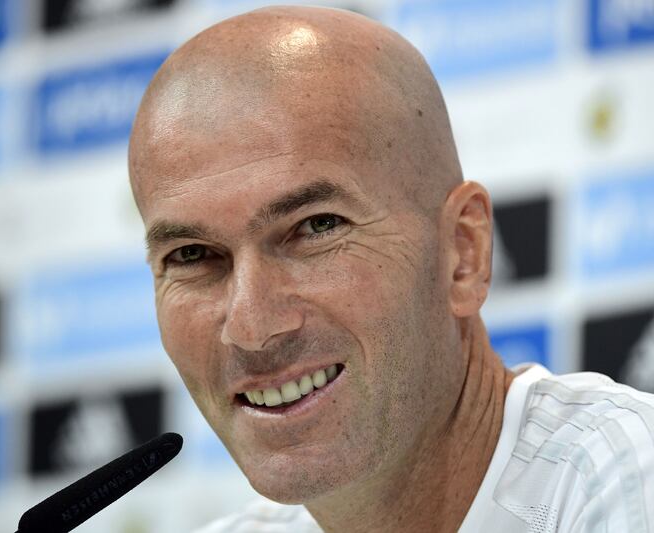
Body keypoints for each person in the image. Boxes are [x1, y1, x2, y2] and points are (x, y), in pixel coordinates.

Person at [128, 6, 654, 532]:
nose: (251, 326)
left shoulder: (624, 481)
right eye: (192, 255)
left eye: (317, 227)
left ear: (462, 252)